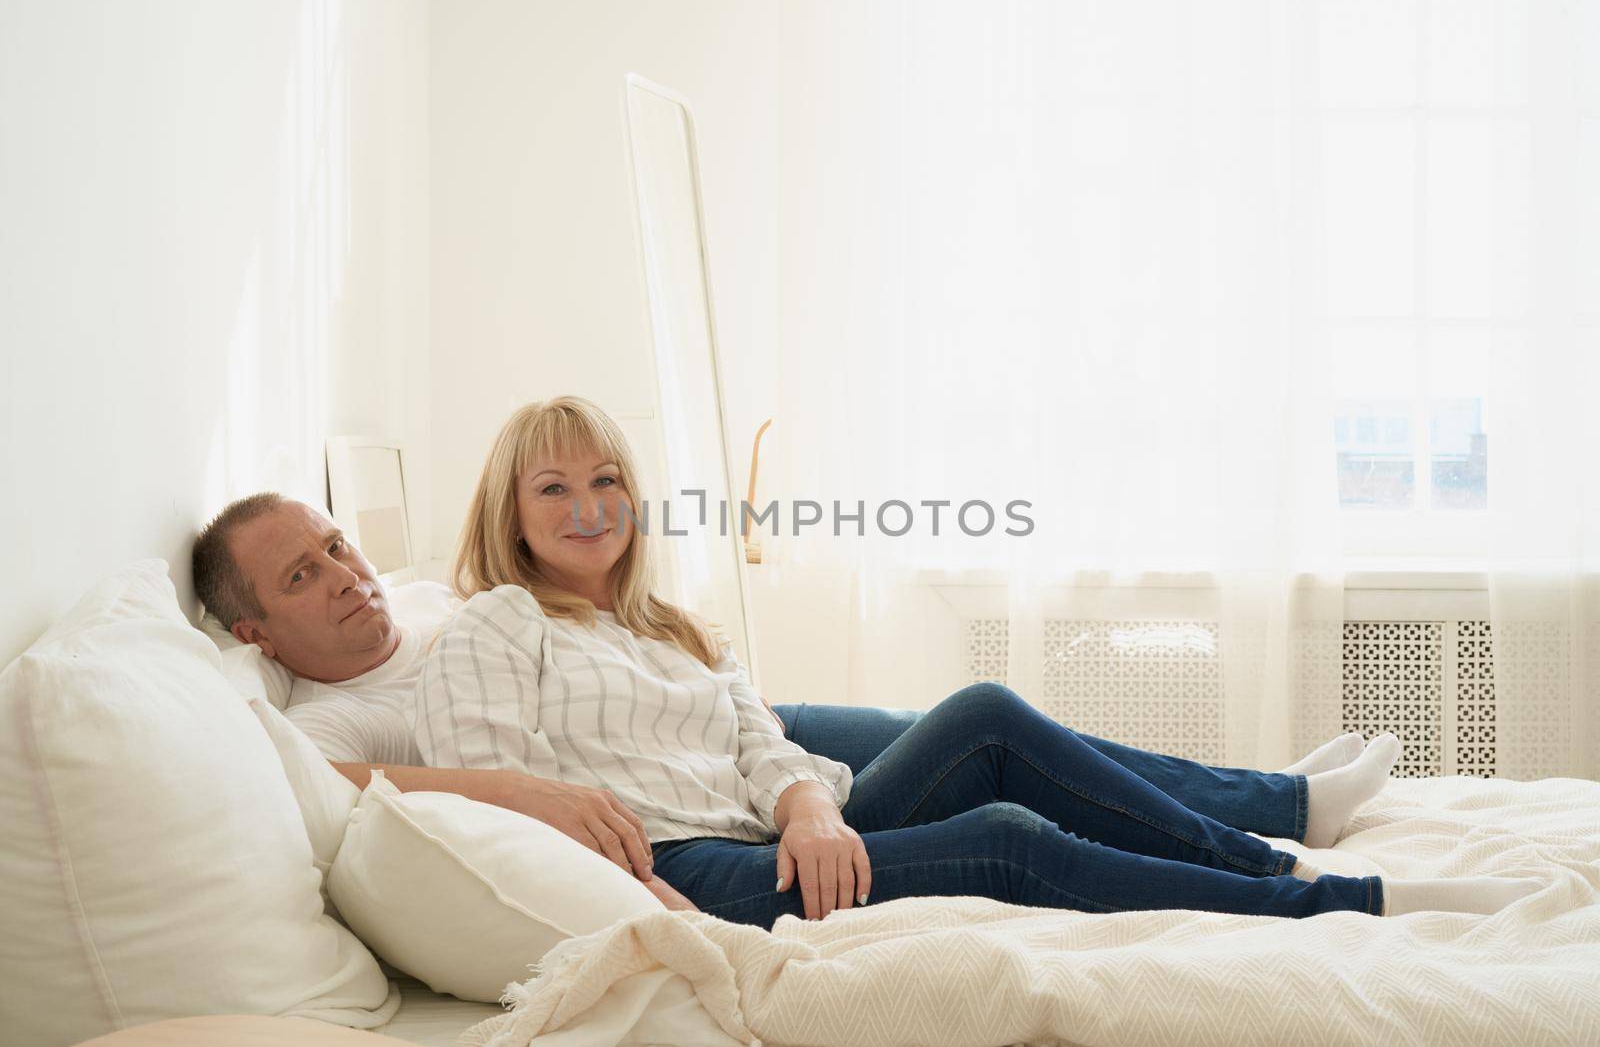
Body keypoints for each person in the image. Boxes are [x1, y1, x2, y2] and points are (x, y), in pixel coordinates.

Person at [413, 396, 1543, 927]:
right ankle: (1336, 902)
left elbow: (753, 728)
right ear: (508, 514)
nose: (587, 505)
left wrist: (807, 802)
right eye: (551, 486)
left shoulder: (659, 622)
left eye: (604, 478)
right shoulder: (496, 624)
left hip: (773, 833)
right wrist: (655, 896)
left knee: (983, 712)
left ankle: (1270, 854)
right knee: (1004, 839)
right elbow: (496, 796)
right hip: (687, 868)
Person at [192, 492, 1373, 916]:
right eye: (304, 575)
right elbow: (312, 779)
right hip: (683, 816)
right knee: (997, 793)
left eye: (338, 545)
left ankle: (1280, 812)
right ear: (252, 629)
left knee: (986, 716)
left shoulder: (420, 604)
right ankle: (1288, 877)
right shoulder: (324, 717)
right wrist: (509, 786)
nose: (346, 575)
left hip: (686, 734)